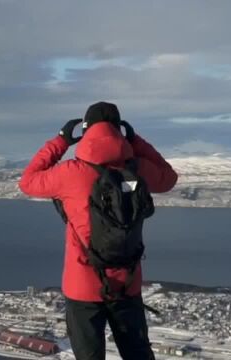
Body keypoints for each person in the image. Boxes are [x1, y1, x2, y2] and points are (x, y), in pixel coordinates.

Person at [19, 102, 178, 360]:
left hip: (83, 287)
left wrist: (60, 141)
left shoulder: (71, 173)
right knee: (138, 354)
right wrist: (136, 142)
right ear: (119, 130)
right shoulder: (137, 168)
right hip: (127, 284)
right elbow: (169, 178)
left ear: (84, 130)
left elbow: (27, 182)